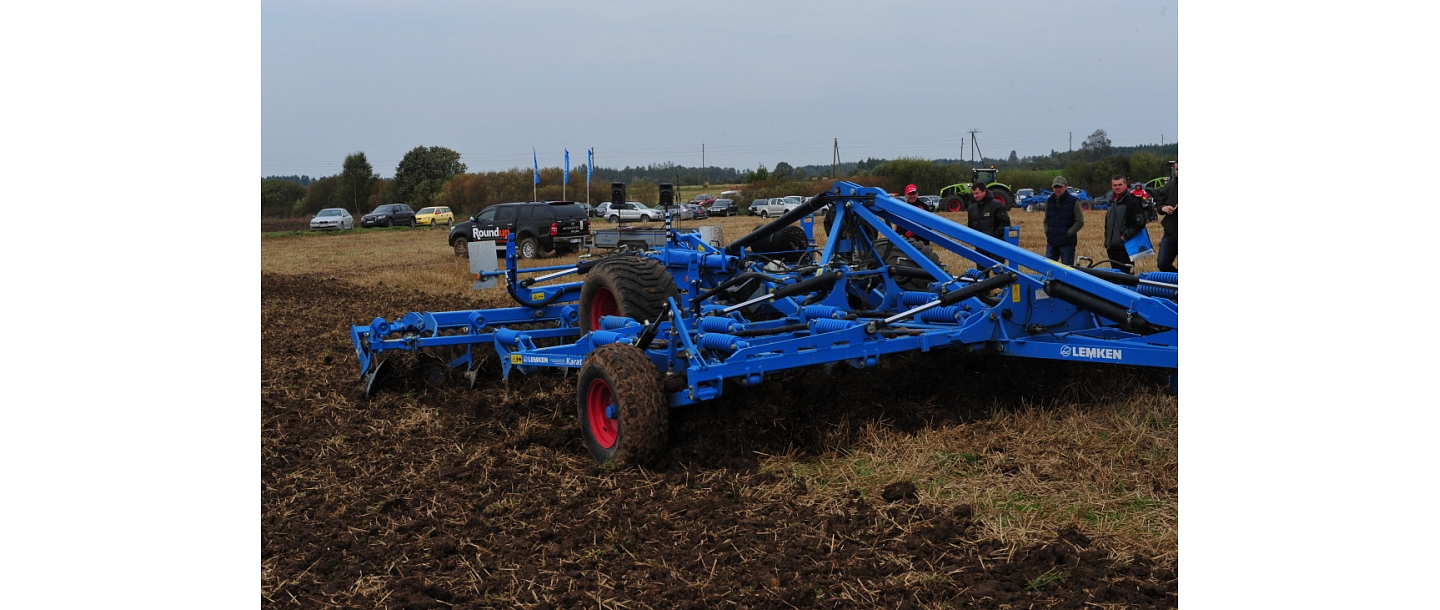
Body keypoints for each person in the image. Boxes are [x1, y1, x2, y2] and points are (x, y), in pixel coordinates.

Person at [1101, 174, 1150, 273]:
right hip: (1112, 245)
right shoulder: (1111, 202)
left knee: (1126, 274)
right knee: (1115, 274)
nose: (1117, 187)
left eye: (1120, 184)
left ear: (1125, 185)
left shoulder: (1132, 201)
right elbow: (1108, 222)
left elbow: (1140, 223)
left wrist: (1125, 236)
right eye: (1115, 185)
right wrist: (1107, 239)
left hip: (1125, 246)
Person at [1042, 176, 1084, 266]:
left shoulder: (1073, 201)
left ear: (1065, 187)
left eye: (1060, 187)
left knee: (1067, 270)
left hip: (1067, 244)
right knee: (1048, 269)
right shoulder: (1049, 201)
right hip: (1051, 243)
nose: (1057, 189)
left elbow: (1080, 221)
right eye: (1055, 187)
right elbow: (1046, 220)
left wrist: (1068, 233)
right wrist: (1047, 231)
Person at [966, 183, 1010, 268]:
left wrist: (993, 236)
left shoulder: (996, 205)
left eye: (977, 193)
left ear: (984, 191)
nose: (975, 196)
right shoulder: (972, 209)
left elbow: (1005, 223)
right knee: (982, 272)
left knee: (998, 272)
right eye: (973, 193)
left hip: (996, 246)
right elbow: (970, 227)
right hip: (980, 248)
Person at [1156, 161, 1178, 273]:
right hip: (1171, 233)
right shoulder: (1168, 186)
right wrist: (1163, 208)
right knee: (1162, 263)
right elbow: (1159, 205)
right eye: (1177, 169)